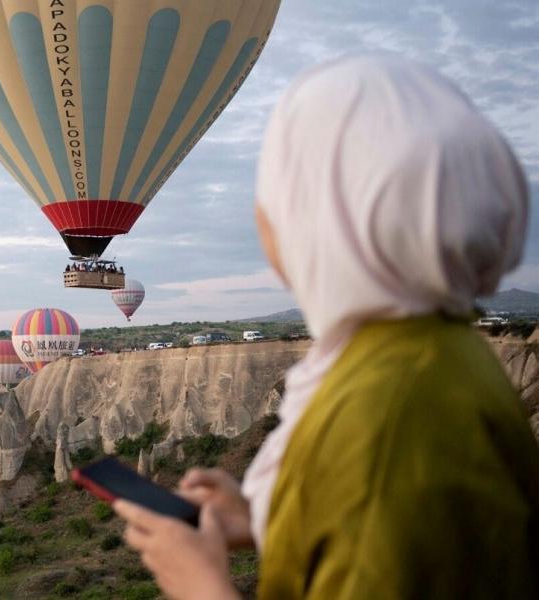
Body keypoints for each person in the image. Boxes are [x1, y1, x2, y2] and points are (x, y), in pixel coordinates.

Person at [114, 55, 538, 599]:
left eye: (278, 195)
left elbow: (377, 499)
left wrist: (201, 585)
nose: (264, 217)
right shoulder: (442, 351)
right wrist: (269, 518)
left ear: (327, 216)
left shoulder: (385, 413)